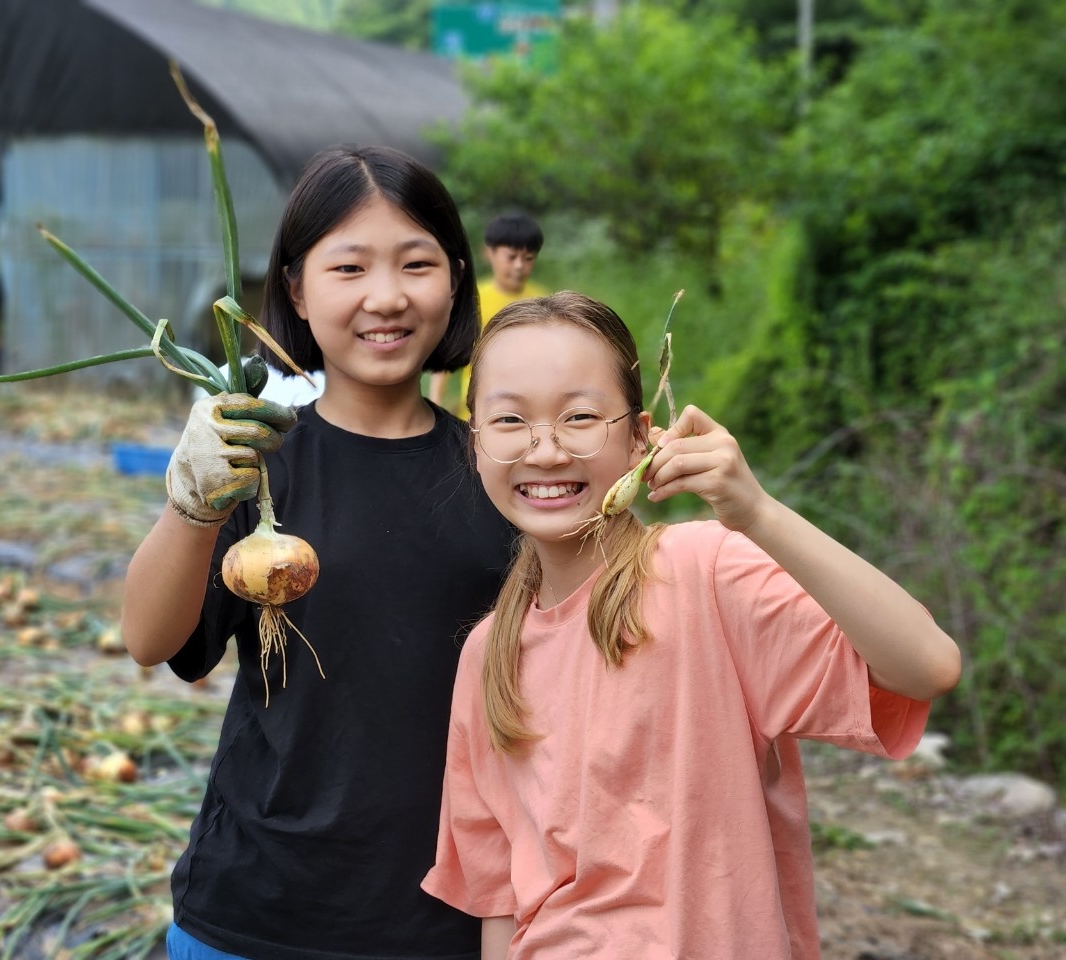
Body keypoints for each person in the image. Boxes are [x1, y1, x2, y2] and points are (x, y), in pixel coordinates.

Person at [421, 292, 963, 958]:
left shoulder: (703, 571)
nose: (546, 449)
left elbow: (927, 665)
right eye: (510, 420)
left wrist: (758, 514)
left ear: (638, 438)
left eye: (580, 416)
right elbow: (501, 897)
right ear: (476, 443)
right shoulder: (486, 656)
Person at [121, 145, 516, 960]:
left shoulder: (502, 475)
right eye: (349, 268)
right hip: (257, 911)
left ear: (455, 278)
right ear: (296, 289)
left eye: (417, 263)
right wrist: (192, 503)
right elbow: (152, 642)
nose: (387, 296)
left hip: (449, 916)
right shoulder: (257, 465)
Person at [429, 212, 546, 414]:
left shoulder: (542, 302)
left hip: (529, 411)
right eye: (511, 257)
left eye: (527, 259)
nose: (519, 266)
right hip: (477, 413)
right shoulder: (472, 300)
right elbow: (448, 353)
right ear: (488, 253)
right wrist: (435, 402)